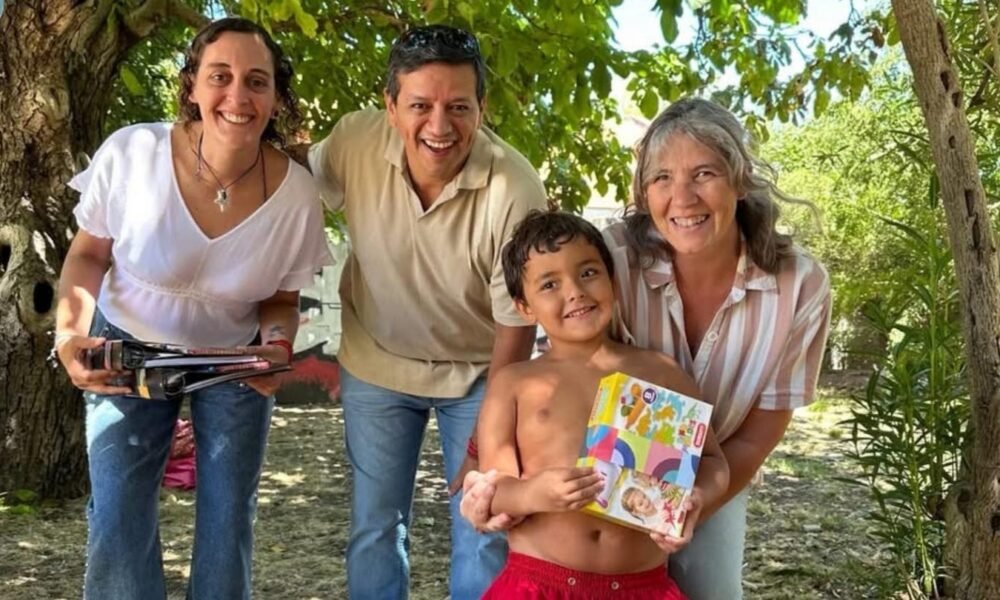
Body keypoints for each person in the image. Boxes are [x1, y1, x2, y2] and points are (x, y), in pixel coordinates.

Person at [461, 97, 832, 600]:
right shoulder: (612, 255)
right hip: (544, 577)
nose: (683, 197)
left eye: (704, 173)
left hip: (658, 537)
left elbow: (738, 445)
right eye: (662, 178)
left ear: (740, 179)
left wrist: (693, 501)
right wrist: (507, 486)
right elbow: (504, 458)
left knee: (715, 589)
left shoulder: (790, 292)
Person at [54, 18, 332, 599]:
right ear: (192, 86)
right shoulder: (133, 152)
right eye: (220, 76)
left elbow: (280, 301)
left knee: (229, 515)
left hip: (233, 360)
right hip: (127, 346)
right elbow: (88, 255)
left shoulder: (297, 196)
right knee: (118, 513)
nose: (238, 96)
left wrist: (277, 346)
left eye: (257, 81)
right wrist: (69, 336)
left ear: (276, 96)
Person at [306, 24, 547, 600]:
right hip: (377, 360)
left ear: (482, 108)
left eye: (458, 107)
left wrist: (486, 439)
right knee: (375, 523)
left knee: (483, 523)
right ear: (390, 107)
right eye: (420, 106)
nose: (439, 127)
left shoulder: (516, 188)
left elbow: (517, 323)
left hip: (481, 371)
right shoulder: (352, 141)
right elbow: (288, 189)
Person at [476, 209, 729, 599]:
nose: (575, 291)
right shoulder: (514, 384)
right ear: (524, 307)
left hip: (642, 587)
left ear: (613, 280)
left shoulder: (660, 373)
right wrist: (535, 493)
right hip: (540, 585)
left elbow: (714, 464)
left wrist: (696, 498)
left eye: (588, 273)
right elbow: (493, 490)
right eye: (549, 284)